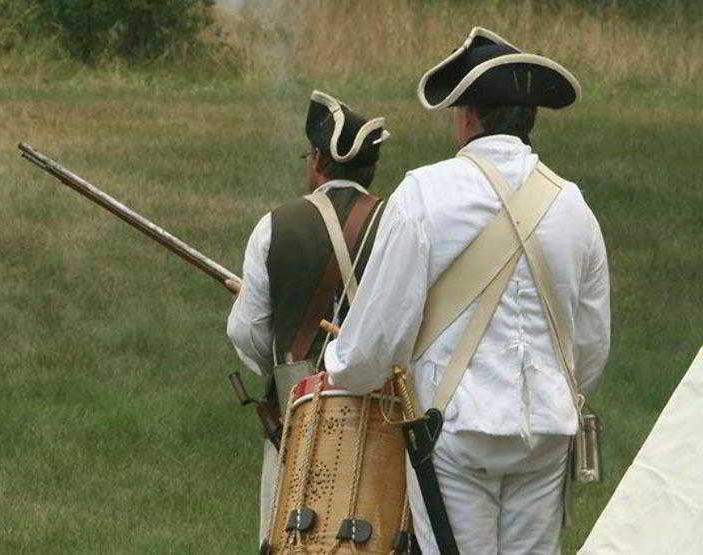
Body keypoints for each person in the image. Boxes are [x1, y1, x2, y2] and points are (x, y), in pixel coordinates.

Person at [324, 27, 610, 555]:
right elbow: (590, 348)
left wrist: (339, 362)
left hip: (456, 431)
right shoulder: (573, 206)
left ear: (467, 115)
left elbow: (375, 344)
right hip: (547, 434)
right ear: (530, 118)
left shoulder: (422, 194)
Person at [226, 90, 390, 542]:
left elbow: (247, 332)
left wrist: (282, 343)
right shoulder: (397, 222)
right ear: (370, 168)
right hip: (381, 422)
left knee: (290, 541)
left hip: (297, 417)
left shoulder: (275, 225)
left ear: (318, 159)